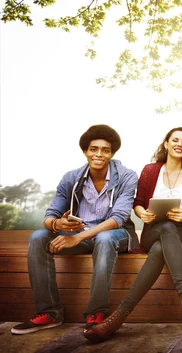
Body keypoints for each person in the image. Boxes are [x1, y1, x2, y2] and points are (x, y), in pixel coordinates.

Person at [83, 127, 182, 342]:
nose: (180, 144)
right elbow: (138, 203)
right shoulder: (151, 171)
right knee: (164, 230)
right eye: (175, 140)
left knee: (165, 239)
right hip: (153, 230)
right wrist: (143, 214)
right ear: (166, 144)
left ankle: (117, 318)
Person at [11, 125, 138, 335]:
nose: (99, 154)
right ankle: (50, 313)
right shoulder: (71, 177)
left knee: (105, 238)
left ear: (112, 153)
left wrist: (77, 237)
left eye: (105, 150)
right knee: (38, 237)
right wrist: (57, 225)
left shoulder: (127, 176)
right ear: (85, 151)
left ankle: (96, 313)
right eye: (93, 149)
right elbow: (50, 214)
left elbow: (118, 218)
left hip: (116, 234)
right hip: (80, 234)